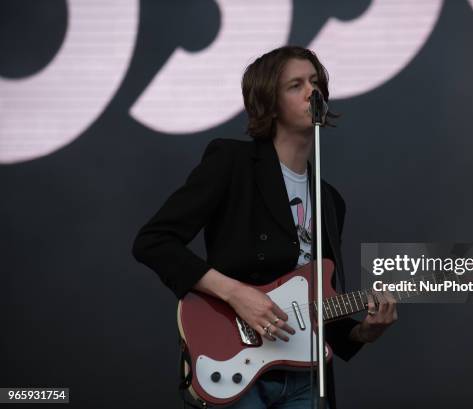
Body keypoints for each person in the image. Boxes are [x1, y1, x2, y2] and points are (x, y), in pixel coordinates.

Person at [132, 45, 397, 409]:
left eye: (316, 82)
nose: (312, 91)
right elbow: (154, 241)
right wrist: (235, 293)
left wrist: (364, 332)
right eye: (296, 85)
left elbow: (319, 309)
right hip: (236, 367)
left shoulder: (329, 200)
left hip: (306, 377)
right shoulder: (233, 162)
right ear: (268, 103)